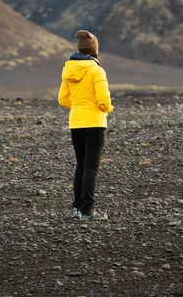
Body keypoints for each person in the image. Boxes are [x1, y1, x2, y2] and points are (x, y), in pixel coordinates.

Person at [58, 29, 114, 222]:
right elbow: (103, 98)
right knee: (91, 167)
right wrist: (108, 108)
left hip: (76, 123)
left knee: (81, 165)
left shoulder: (69, 70)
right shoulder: (97, 70)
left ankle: (77, 208)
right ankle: (87, 211)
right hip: (95, 124)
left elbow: (62, 99)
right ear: (94, 50)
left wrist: (79, 107)